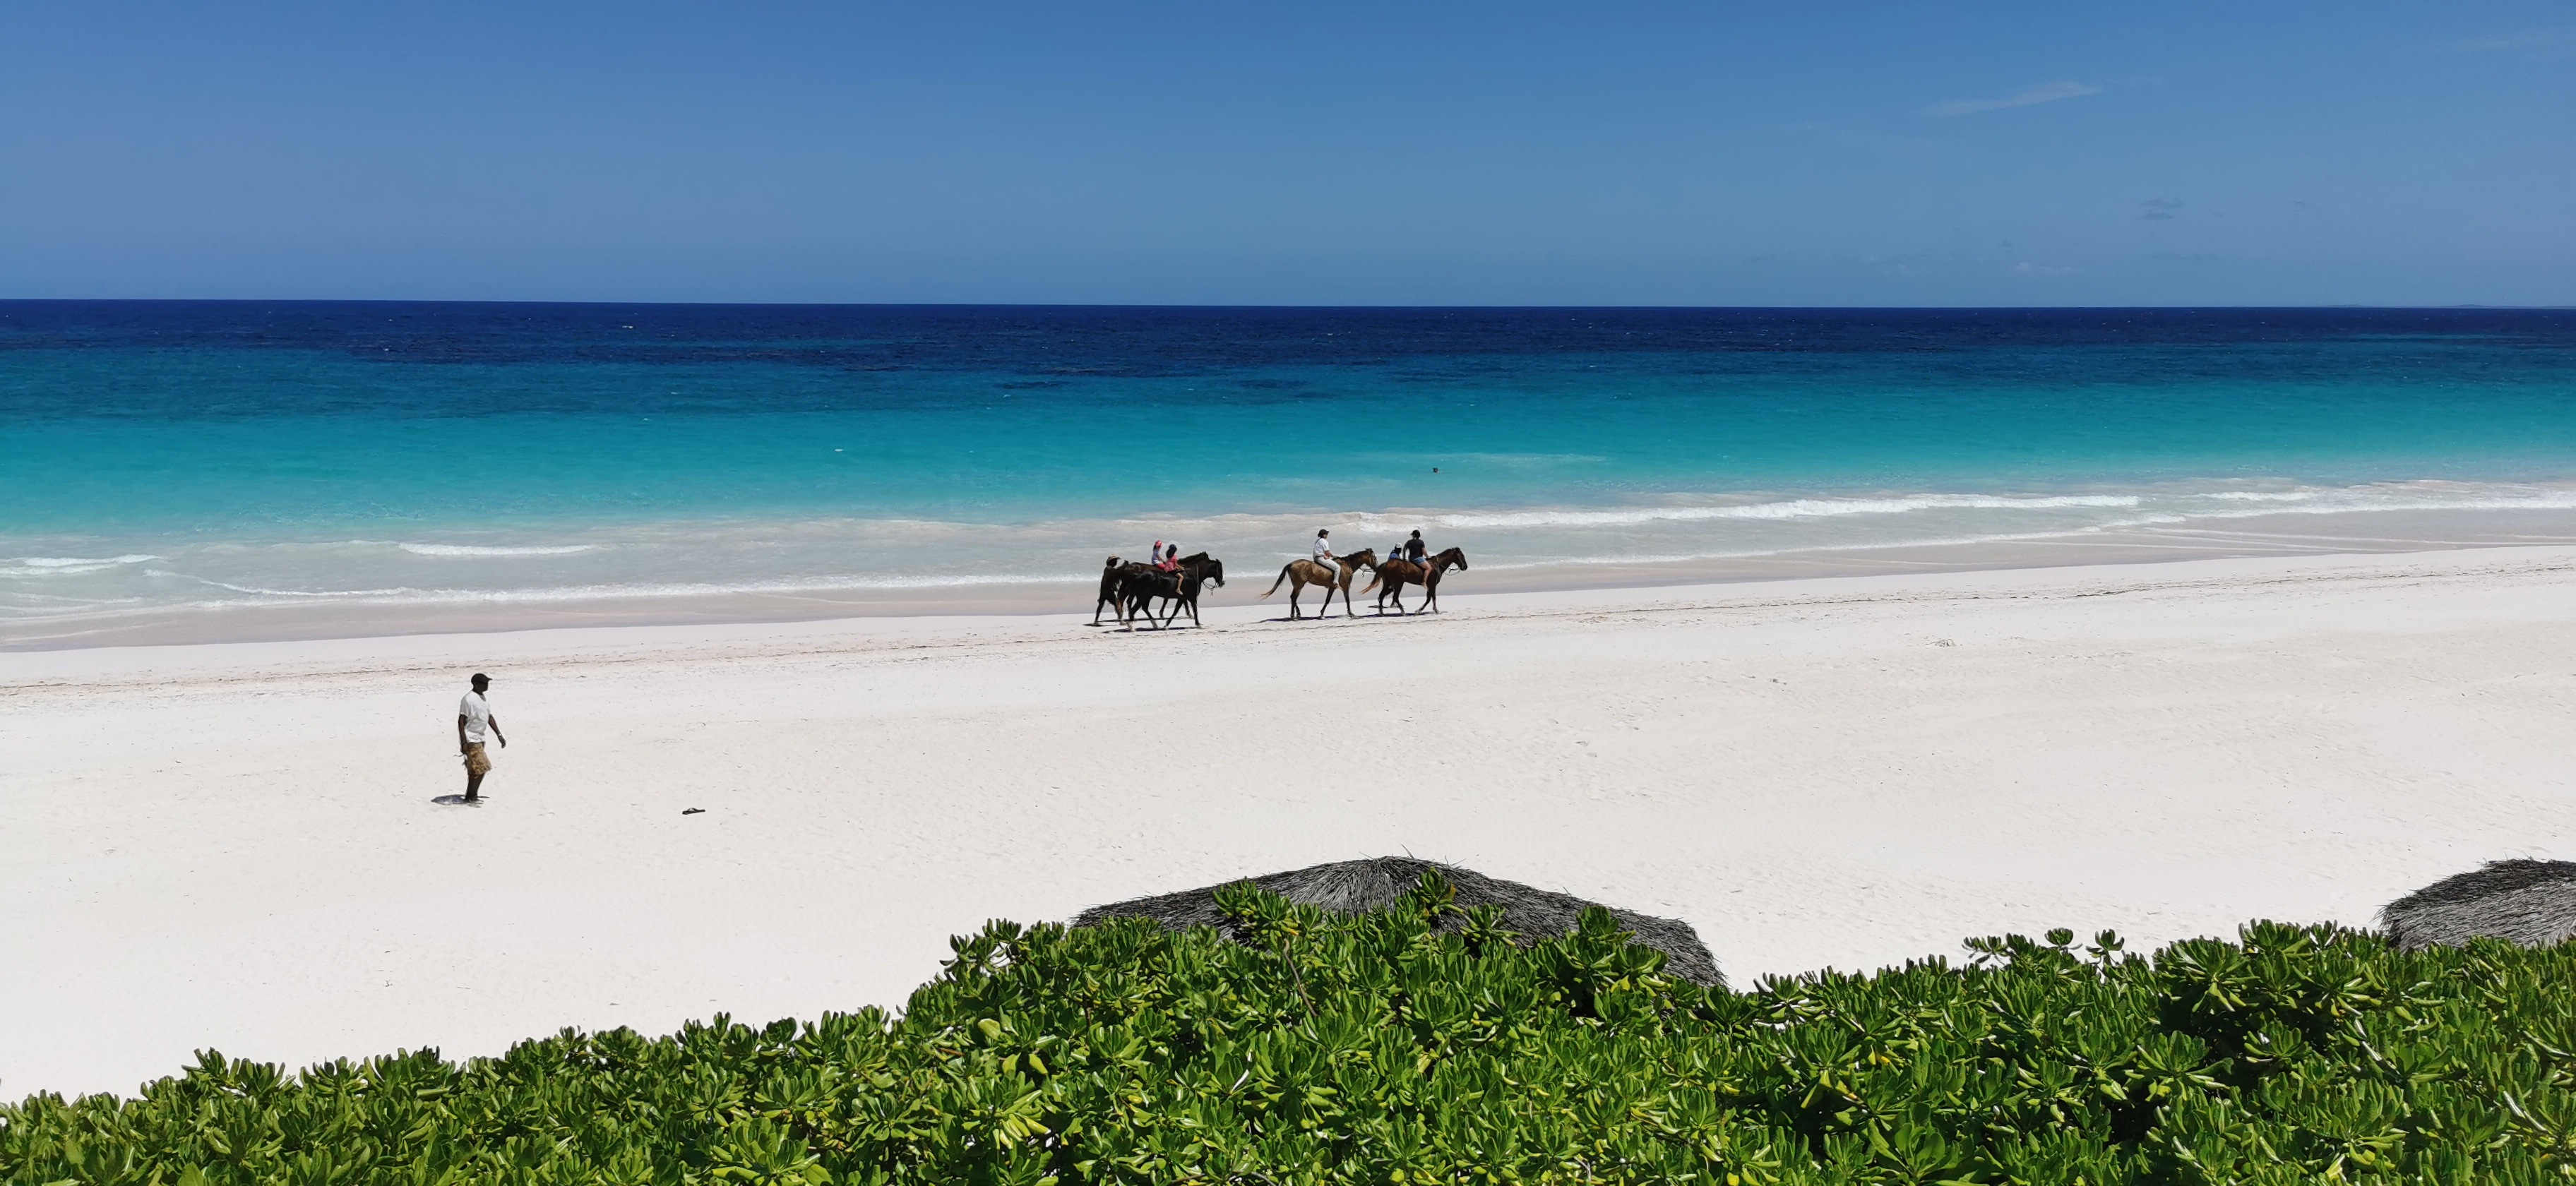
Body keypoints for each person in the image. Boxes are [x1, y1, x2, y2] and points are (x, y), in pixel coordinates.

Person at [456, 672, 507, 805]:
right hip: (471, 738)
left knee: (474, 770)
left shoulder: (484, 698)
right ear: (475, 684)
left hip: (481, 737)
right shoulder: (468, 699)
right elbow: (461, 720)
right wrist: (463, 741)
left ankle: (470, 796)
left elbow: (489, 717)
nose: (487, 685)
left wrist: (499, 734)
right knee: (482, 767)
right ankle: (472, 796)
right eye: (484, 683)